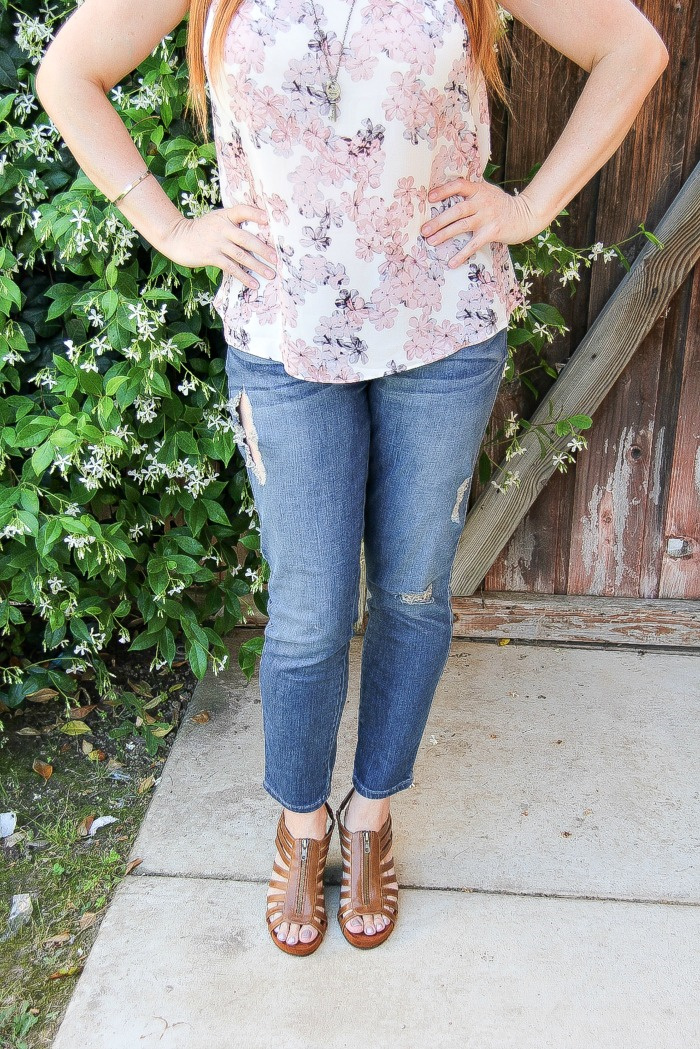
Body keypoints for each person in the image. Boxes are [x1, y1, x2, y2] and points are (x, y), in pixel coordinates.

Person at [36, 0, 668, 956]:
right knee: (307, 613)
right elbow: (67, 75)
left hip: (443, 328)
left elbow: (634, 48)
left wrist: (530, 206)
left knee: (412, 594)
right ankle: (301, 827)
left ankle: (370, 818)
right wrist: (166, 227)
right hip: (282, 337)